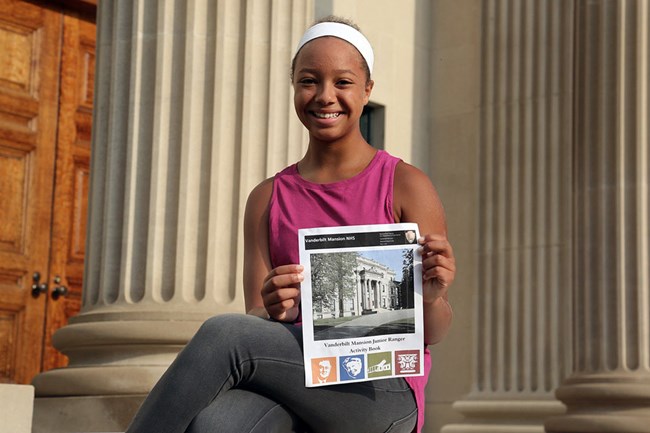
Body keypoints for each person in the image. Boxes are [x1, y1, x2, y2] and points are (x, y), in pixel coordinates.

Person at [125, 15, 455, 433]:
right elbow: (257, 320)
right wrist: (274, 309)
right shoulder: (267, 198)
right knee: (215, 425)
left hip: (380, 394)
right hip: (297, 377)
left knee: (224, 333)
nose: (324, 96)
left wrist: (430, 296)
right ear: (294, 86)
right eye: (309, 80)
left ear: (368, 90)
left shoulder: (407, 184)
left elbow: (436, 332)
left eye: (343, 82)